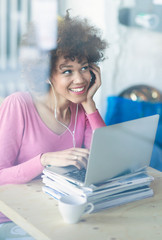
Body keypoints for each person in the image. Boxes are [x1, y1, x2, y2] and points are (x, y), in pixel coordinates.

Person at [0, 10, 108, 237]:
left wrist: (89, 104)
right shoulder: (19, 105)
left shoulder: (80, 109)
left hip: (59, 217)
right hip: (14, 220)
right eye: (67, 71)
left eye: (85, 68)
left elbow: (104, 163)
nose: (79, 79)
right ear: (46, 73)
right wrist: (43, 160)